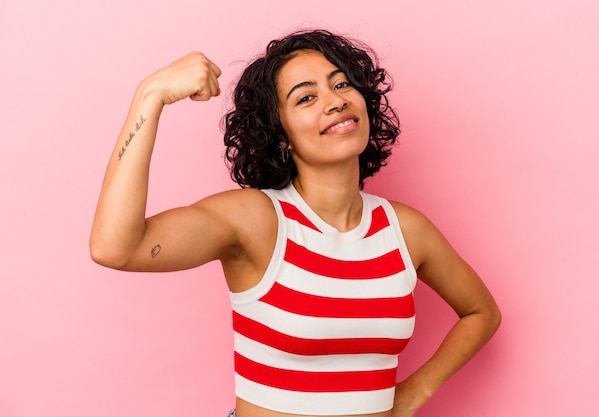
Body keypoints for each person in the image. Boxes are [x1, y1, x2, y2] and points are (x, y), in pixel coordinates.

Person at [90, 29, 501, 417]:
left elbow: (481, 312)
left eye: (341, 85)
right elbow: (115, 247)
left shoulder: (406, 230)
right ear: (280, 134)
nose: (335, 100)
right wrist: (149, 97)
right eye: (306, 98)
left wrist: (413, 395)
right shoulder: (256, 220)